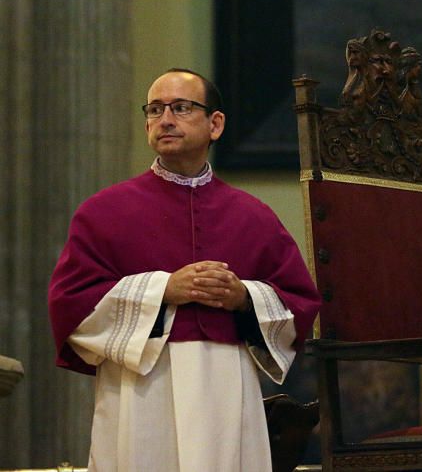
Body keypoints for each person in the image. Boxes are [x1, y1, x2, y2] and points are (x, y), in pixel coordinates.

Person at [48, 69, 322, 472]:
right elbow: (69, 305)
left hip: (225, 386)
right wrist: (163, 289)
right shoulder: (102, 213)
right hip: (140, 389)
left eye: (180, 107)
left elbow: (300, 303)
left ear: (215, 124)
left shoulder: (254, 218)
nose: (166, 119)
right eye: (155, 109)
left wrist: (243, 296)